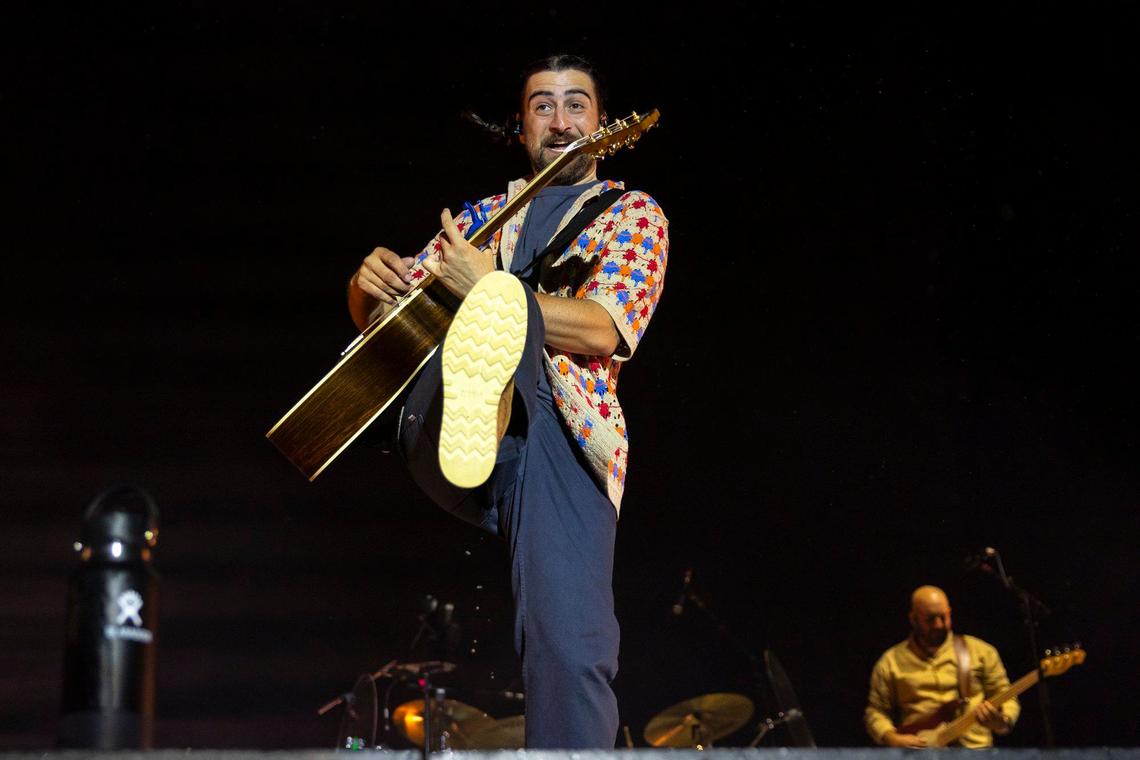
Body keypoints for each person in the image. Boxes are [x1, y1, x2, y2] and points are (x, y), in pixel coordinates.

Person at [346, 54, 668, 749]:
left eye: (575, 103)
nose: (560, 120)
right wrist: (365, 287)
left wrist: (496, 289)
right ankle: (468, 400)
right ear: (519, 127)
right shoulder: (487, 216)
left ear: (600, 121)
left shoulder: (631, 212)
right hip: (464, 428)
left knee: (564, 642)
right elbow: (386, 315)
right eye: (542, 106)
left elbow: (606, 327)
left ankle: (492, 352)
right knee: (466, 306)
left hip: (563, 428)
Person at [864, 585, 1020, 748]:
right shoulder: (890, 661)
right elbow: (876, 711)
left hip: (976, 752)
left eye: (943, 617)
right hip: (922, 753)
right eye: (930, 619)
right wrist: (891, 737)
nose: (938, 624)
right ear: (913, 619)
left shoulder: (981, 652)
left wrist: (1002, 721)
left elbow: (1006, 694)